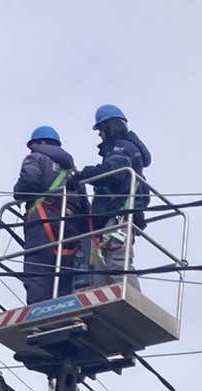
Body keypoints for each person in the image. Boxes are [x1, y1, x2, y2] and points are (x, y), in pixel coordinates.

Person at [67, 104, 151, 289]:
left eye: (101, 130)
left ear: (109, 127)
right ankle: (112, 302)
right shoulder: (124, 148)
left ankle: (132, 299)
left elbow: (113, 172)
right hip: (112, 218)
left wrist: (83, 175)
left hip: (118, 216)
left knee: (116, 264)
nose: (100, 135)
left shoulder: (121, 147)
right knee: (102, 272)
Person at [13, 125, 89, 304]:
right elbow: (85, 206)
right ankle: (63, 308)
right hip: (71, 227)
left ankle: (37, 312)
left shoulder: (36, 158)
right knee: (65, 269)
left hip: (42, 221)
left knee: (38, 267)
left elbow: (28, 181)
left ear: (40, 142)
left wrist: (19, 193)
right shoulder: (73, 171)